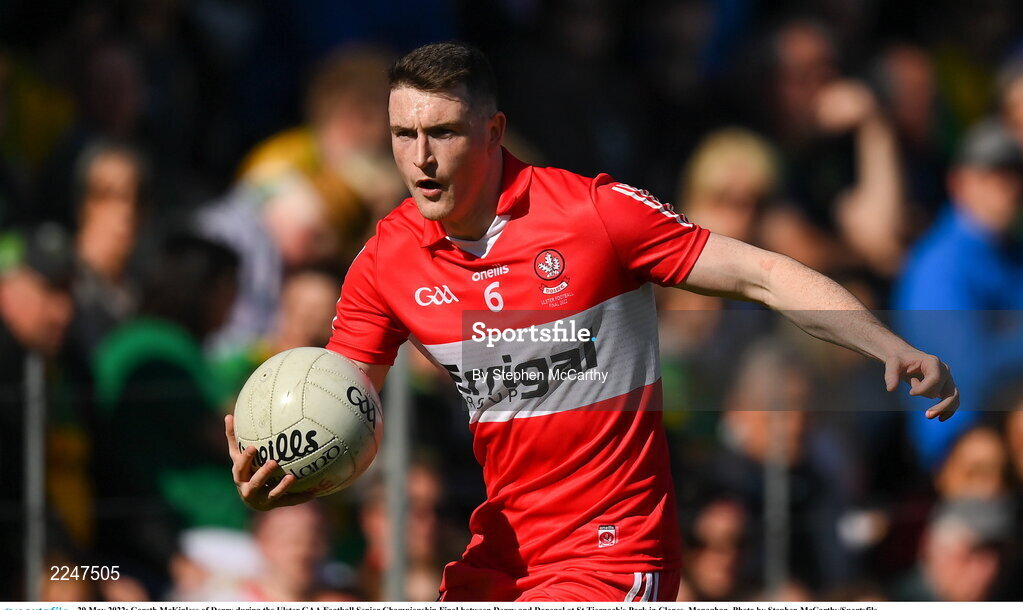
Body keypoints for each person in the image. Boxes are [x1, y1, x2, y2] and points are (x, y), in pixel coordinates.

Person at [225, 42, 959, 602]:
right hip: (505, 552)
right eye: (402, 135)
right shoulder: (386, 259)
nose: (420, 160)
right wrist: (289, 468)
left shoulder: (593, 214)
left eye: (442, 132)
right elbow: (342, 400)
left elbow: (760, 274)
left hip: (614, 551)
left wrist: (887, 343)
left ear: (492, 130)